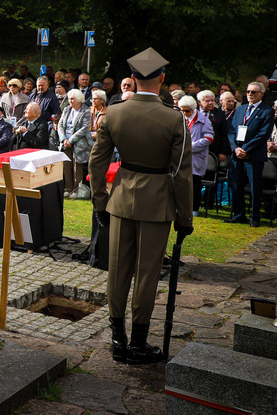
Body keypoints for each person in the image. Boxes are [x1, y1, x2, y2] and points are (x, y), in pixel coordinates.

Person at [88, 47, 192, 366]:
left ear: (132, 79)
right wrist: (184, 217)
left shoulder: (114, 112)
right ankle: (137, 343)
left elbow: (96, 161)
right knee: (147, 274)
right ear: (162, 79)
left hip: (120, 199)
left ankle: (118, 341)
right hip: (157, 203)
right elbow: (182, 175)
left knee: (118, 270)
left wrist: (100, 201)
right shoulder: (173, 118)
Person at [227, 81, 274, 227]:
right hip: (237, 153)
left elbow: (263, 134)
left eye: (253, 92)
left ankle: (255, 217)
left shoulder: (267, 111)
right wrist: (236, 148)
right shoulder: (240, 109)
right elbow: (232, 131)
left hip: (253, 154)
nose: (250, 95)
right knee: (236, 184)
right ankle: (239, 214)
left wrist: (245, 149)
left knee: (255, 186)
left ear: (261, 94)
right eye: (248, 91)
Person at [178, 95, 214, 215]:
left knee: (194, 183)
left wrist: (190, 147)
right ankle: (180, 207)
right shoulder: (181, 118)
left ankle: (194, 209)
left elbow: (209, 138)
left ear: (193, 109)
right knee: (180, 183)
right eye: (182, 110)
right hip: (181, 156)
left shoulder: (204, 120)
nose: (184, 113)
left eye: (187, 111)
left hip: (196, 157)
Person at [58, 89, 91, 198]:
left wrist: (71, 140)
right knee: (67, 166)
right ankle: (69, 188)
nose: (70, 101)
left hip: (79, 143)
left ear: (79, 99)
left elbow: (85, 128)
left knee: (77, 167)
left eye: (72, 99)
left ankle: (77, 190)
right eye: (69, 99)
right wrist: (63, 139)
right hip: (65, 142)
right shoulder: (67, 109)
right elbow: (60, 125)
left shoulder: (86, 111)